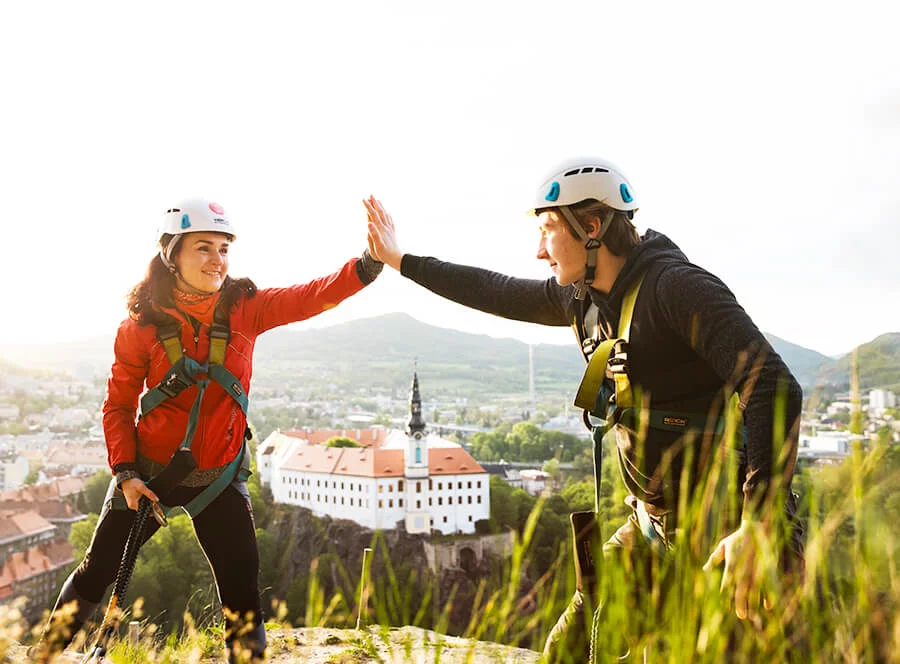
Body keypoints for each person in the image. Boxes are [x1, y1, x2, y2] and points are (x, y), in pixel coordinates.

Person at [363, 159, 804, 662]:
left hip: (731, 539)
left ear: (591, 228)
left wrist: (759, 525)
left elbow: (774, 385)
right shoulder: (585, 299)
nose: (538, 249)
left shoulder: (676, 289)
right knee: (569, 651)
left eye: (548, 231)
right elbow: (496, 290)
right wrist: (400, 260)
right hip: (651, 530)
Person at [36, 199, 383, 662]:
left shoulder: (247, 309)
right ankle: (43, 655)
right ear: (171, 254)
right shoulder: (140, 327)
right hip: (148, 478)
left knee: (242, 594)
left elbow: (311, 295)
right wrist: (124, 472)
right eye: (203, 248)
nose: (217, 260)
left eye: (223, 249)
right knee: (97, 570)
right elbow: (117, 405)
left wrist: (368, 264)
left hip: (217, 478)